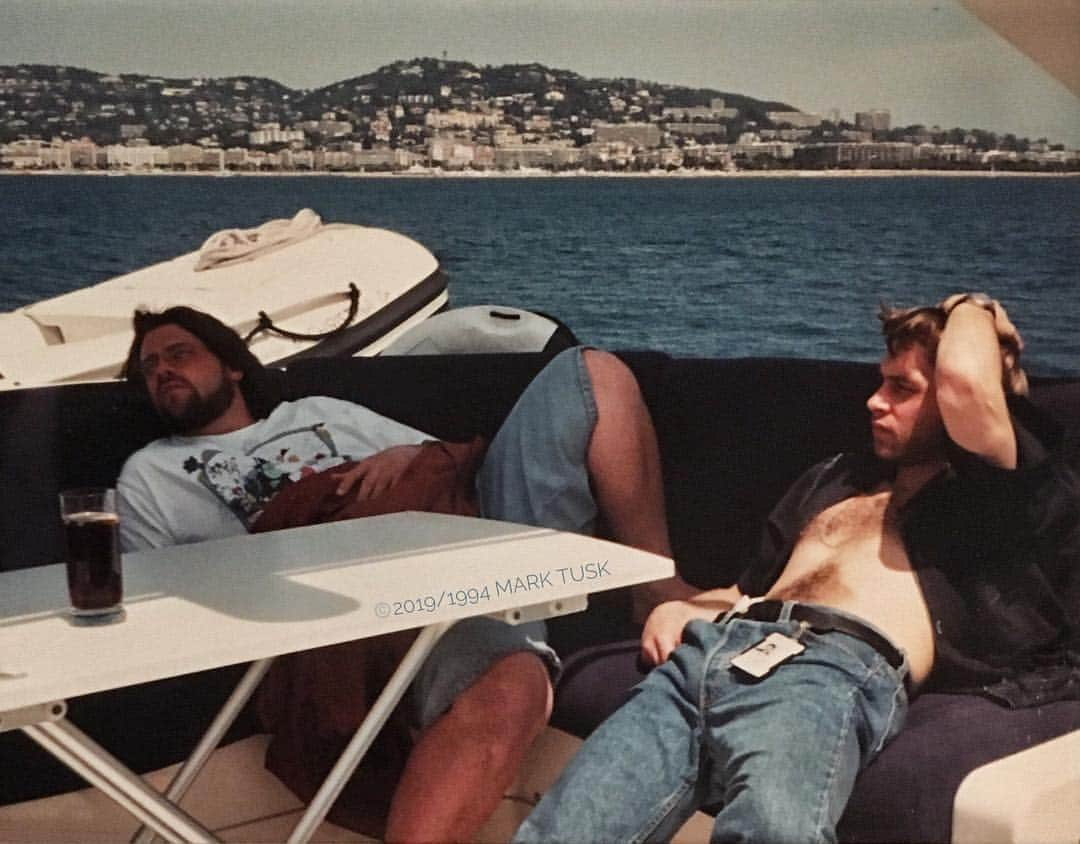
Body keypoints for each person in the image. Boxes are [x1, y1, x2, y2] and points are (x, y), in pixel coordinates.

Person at [514, 292, 1079, 844]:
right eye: (880, 380)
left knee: (774, 829)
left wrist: (971, 307)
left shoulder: (999, 495)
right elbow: (743, 589)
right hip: (709, 655)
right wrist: (682, 605)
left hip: (827, 670)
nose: (874, 401)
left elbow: (965, 381)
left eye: (902, 388)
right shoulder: (836, 481)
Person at [115, 306, 693, 843]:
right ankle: (510, 625)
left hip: (474, 525)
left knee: (591, 372)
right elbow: (152, 595)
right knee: (510, 685)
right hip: (371, 600)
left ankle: (654, 588)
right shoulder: (150, 475)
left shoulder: (317, 412)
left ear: (233, 367)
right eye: (149, 368)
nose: (163, 370)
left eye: (179, 354)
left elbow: (446, 462)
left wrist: (404, 457)